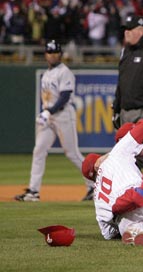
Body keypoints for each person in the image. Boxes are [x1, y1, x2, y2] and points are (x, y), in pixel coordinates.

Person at [15, 40, 95, 202]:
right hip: (49, 116)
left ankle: (94, 186)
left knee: (72, 153)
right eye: (50, 52)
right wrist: (46, 113)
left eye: (55, 52)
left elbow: (64, 97)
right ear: (46, 54)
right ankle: (33, 191)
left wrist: (48, 111)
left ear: (60, 54)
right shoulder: (47, 73)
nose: (53, 55)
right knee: (38, 151)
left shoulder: (64, 72)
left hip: (63, 115)